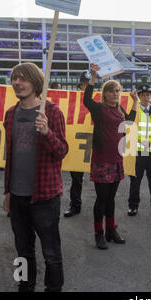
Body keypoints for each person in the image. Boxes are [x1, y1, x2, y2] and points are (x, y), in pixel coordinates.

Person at [3, 62, 69, 292]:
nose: (17, 83)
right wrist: (7, 192)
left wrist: (47, 132)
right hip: (17, 197)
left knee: (51, 252)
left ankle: (54, 289)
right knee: (22, 251)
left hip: (45, 197)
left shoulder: (52, 112)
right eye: (14, 78)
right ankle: (24, 285)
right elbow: (9, 156)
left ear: (36, 82)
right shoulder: (10, 114)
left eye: (23, 78)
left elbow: (62, 151)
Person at [83, 63, 137, 250]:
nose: (116, 93)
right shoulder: (98, 110)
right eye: (113, 91)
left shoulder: (119, 109)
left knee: (112, 199)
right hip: (101, 160)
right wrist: (93, 77)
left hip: (116, 160)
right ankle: (99, 233)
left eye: (118, 91)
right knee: (101, 199)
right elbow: (86, 100)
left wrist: (135, 101)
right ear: (105, 93)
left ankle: (110, 230)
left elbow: (129, 121)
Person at [127, 84, 151, 216]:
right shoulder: (134, 111)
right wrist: (141, 141)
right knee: (135, 180)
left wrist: (150, 141)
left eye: (148, 95)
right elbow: (130, 128)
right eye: (143, 95)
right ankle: (133, 206)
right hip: (138, 151)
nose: (145, 97)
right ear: (139, 96)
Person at [64, 72, 90, 218]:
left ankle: (103, 207)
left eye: (88, 84)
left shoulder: (98, 99)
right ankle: (75, 205)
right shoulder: (73, 100)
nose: (85, 86)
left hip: (94, 143)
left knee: (101, 180)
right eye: (84, 84)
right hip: (77, 144)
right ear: (80, 85)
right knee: (76, 179)